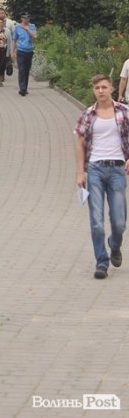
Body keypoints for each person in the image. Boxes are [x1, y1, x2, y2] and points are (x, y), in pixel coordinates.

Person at [75, 75, 129, 279]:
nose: (100, 91)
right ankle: (101, 262)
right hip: (95, 170)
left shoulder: (123, 112)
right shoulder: (87, 115)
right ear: (93, 90)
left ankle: (114, 244)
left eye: (104, 87)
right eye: (97, 87)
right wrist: (80, 172)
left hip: (117, 170)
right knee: (96, 221)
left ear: (111, 89)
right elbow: (80, 144)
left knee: (119, 221)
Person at [12, 12, 37, 96]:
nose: (27, 20)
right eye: (25, 18)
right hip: (21, 50)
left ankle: (25, 88)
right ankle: (22, 88)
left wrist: (27, 29)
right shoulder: (17, 27)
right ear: (22, 19)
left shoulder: (32, 26)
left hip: (29, 50)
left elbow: (35, 36)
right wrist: (12, 51)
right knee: (22, 69)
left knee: (26, 70)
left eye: (28, 18)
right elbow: (14, 40)